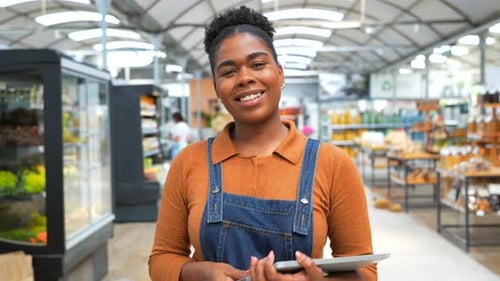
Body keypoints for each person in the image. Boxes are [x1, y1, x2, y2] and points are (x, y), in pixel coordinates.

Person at [149, 5, 376, 281]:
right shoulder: (189, 162)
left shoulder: (332, 165)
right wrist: (198, 273)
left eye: (258, 64)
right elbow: (162, 259)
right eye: (229, 71)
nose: (245, 78)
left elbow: (365, 271)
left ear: (280, 73)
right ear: (218, 88)